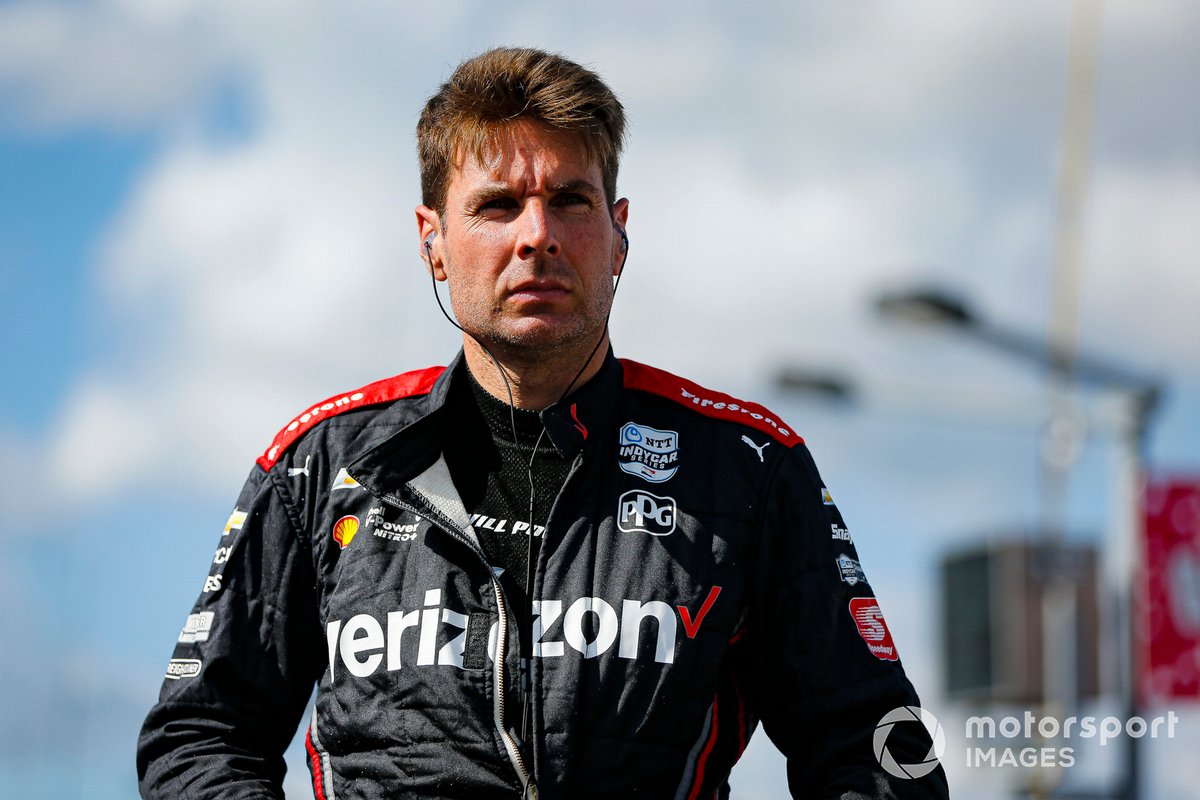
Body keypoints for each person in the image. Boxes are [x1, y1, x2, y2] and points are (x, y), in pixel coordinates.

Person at [138, 47, 949, 800]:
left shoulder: (745, 467)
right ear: (434, 243)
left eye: (570, 200)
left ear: (618, 232)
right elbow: (200, 740)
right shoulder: (320, 466)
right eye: (497, 205)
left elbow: (877, 749)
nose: (538, 236)